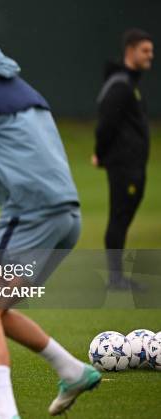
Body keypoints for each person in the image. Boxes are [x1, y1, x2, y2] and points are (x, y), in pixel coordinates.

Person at [0, 11, 100, 419]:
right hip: (66, 216)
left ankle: (5, 410)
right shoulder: (23, 85)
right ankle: (72, 370)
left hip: (31, 214)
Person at [93, 28, 154, 290]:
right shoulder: (120, 85)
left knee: (123, 216)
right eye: (145, 51)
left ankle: (117, 277)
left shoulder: (129, 84)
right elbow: (106, 124)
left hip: (133, 164)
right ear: (130, 51)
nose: (150, 56)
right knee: (119, 216)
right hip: (124, 165)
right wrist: (101, 153)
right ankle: (116, 279)